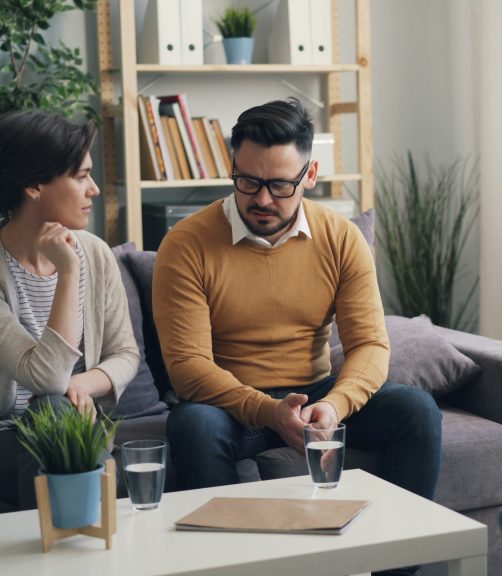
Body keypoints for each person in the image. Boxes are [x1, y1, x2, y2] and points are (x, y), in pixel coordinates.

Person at [153, 99, 442, 501]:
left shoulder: (341, 238)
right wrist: (267, 410)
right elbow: (188, 366)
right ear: (232, 168)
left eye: (281, 185)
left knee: (416, 410)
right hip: (230, 403)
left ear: (310, 175)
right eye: (249, 181)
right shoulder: (186, 243)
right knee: (194, 426)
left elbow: (370, 344)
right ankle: (225, 562)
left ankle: (398, 562)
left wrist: (336, 407)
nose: (263, 200)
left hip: (317, 392)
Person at [0, 110, 140, 510]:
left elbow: (125, 353)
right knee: (55, 418)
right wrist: (69, 271)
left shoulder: (96, 252)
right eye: (80, 175)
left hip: (73, 424)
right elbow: (47, 376)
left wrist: (84, 384)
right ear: (34, 185)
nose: (94, 189)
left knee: (58, 417)